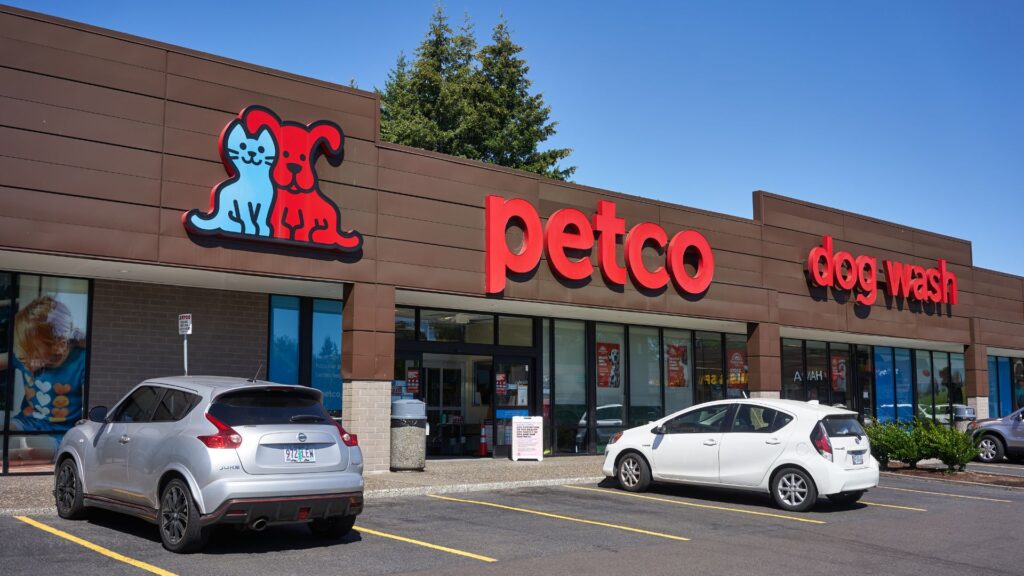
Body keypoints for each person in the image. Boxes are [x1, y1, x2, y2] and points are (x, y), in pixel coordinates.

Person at [4, 296, 87, 464]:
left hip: (60, 433)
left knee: (32, 449)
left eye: (27, 351)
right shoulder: (25, 358)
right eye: (19, 351)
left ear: (58, 345)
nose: (20, 356)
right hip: (26, 422)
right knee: (7, 433)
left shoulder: (81, 362)